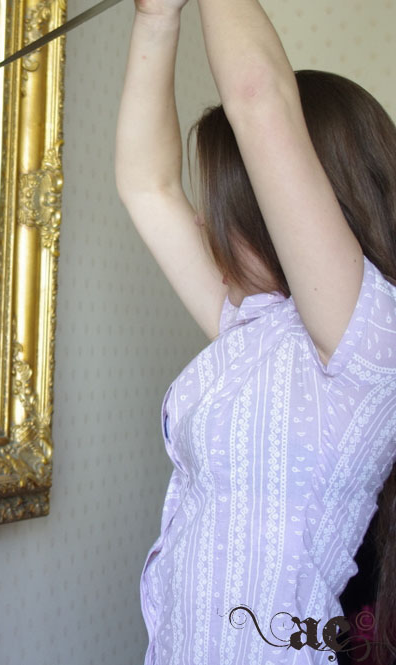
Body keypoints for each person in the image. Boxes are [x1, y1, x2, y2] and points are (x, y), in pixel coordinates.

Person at [115, 0, 396, 662]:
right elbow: (147, 186)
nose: (204, 224)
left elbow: (258, 97)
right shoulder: (256, 326)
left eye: (221, 206)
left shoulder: (364, 336)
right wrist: (156, 19)